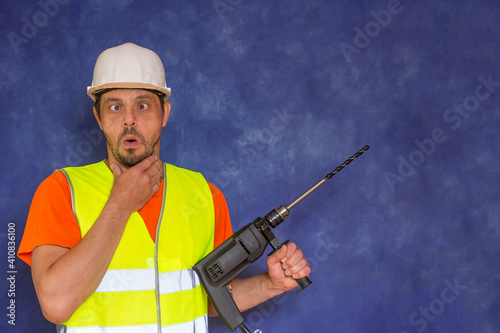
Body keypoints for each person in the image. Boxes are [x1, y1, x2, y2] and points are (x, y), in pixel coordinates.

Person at [18, 42, 311, 333]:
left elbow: (209, 297)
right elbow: (56, 305)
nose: (129, 119)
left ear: (165, 113)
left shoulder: (204, 194)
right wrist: (120, 204)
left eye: (143, 105)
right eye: (115, 106)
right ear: (98, 117)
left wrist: (269, 284)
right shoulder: (62, 190)